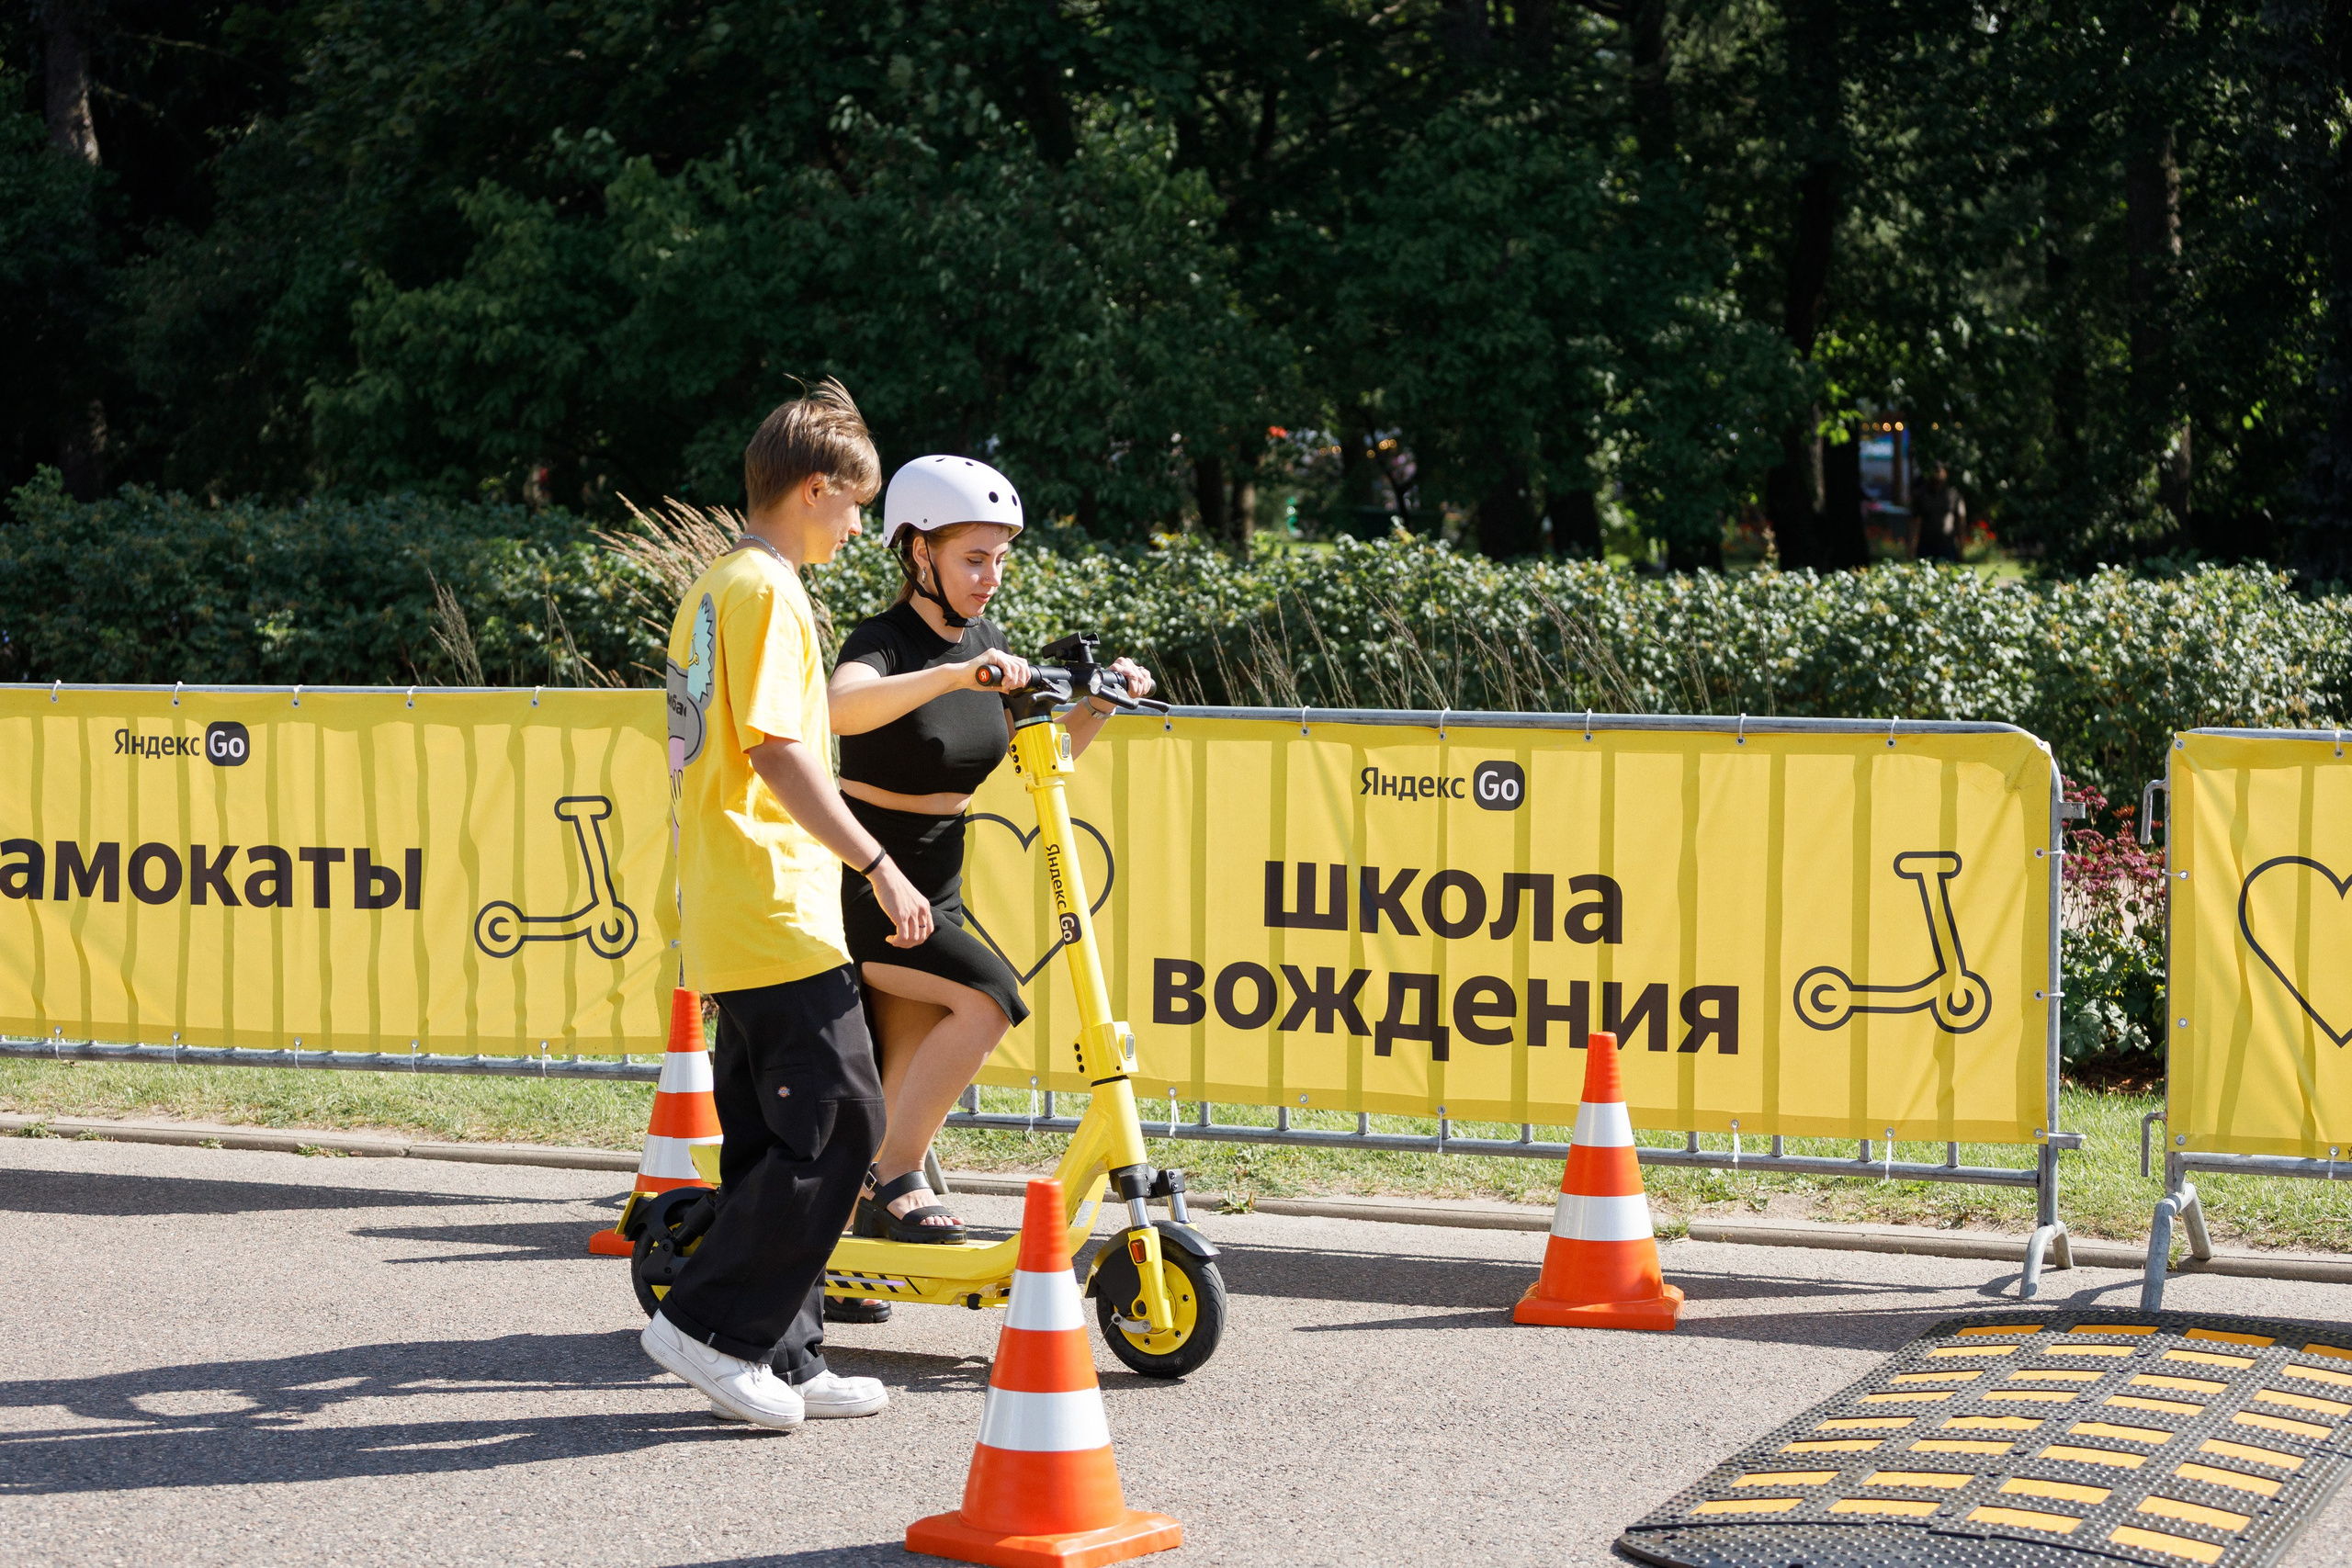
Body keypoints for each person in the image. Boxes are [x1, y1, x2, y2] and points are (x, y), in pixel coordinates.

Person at [640, 379, 935, 1430]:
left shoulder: (719, 581)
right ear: (814, 489)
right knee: (847, 1121)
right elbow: (772, 750)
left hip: (733, 900)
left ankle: (786, 1351)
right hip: (770, 900)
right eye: (854, 505)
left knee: (776, 1136)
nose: (860, 527)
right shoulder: (764, 590)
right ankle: (711, 1329)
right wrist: (877, 864)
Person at [826, 455, 1153, 1268]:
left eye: (1001, 559)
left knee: (900, 1062)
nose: (991, 577)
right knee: (990, 998)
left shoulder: (990, 644)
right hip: (872, 877)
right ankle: (896, 1175)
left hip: (941, 879)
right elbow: (838, 706)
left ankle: (852, 1242)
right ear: (918, 552)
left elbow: (1036, 754)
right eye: (975, 557)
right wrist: (948, 673)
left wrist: (1100, 705)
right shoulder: (885, 641)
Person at [1913, 463, 1966, 561]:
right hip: (1926, 545)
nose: (1937, 476)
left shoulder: (1953, 494)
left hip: (1947, 546)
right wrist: (1911, 546)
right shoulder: (1921, 495)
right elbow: (1914, 521)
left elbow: (1961, 520)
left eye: (1939, 471)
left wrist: (1961, 546)